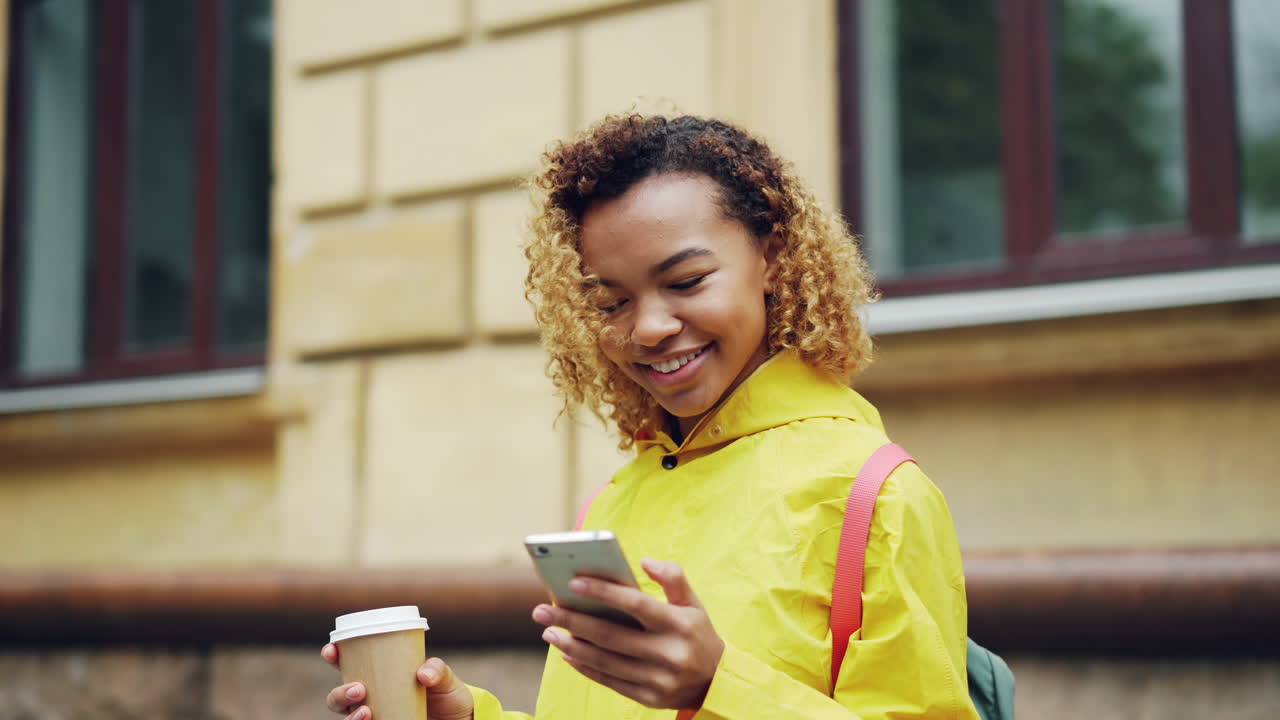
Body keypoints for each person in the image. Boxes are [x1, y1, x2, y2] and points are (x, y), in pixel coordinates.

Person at [322, 114, 979, 720]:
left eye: (687, 281)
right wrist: (466, 717)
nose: (650, 328)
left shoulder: (879, 495)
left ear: (773, 258)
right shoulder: (612, 505)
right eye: (611, 302)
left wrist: (718, 686)